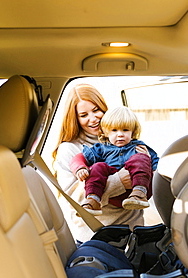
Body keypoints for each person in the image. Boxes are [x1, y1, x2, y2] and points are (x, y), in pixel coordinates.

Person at [52, 84, 149, 242]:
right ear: (75, 118)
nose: (93, 118)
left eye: (96, 110)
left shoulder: (123, 138)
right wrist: (118, 182)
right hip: (97, 237)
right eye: (84, 115)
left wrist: (146, 163)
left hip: (133, 233)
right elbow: (74, 200)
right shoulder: (70, 150)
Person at [70, 106, 159, 216]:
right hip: (114, 194)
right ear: (106, 132)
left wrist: (149, 165)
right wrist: (80, 168)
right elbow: (79, 158)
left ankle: (139, 193)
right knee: (98, 166)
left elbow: (157, 164)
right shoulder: (102, 148)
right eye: (114, 130)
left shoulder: (139, 147)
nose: (120, 134)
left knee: (140, 158)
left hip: (138, 188)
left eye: (125, 130)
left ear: (133, 132)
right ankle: (93, 199)